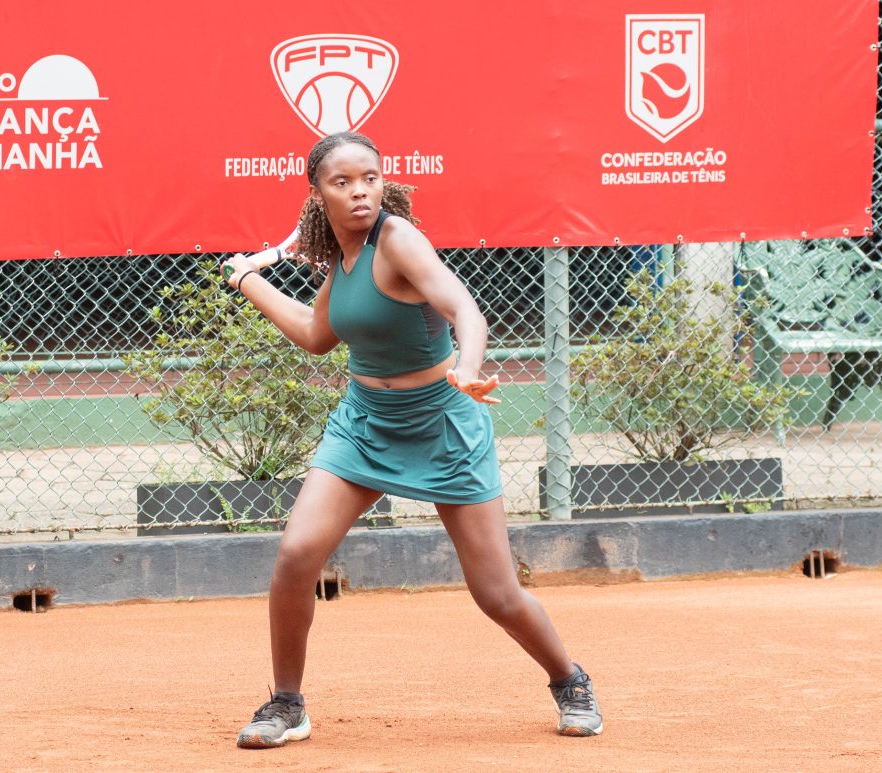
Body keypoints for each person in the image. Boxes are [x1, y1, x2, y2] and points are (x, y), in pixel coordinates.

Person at [221, 131, 602, 748]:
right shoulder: (342, 257)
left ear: (384, 183)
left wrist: (469, 367)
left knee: (496, 594)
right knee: (296, 556)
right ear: (317, 194)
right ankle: (287, 704)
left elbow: (464, 309)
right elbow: (318, 335)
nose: (359, 192)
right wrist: (248, 281)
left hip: (442, 422)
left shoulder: (397, 239)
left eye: (369, 178)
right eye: (342, 182)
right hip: (365, 423)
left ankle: (570, 680)